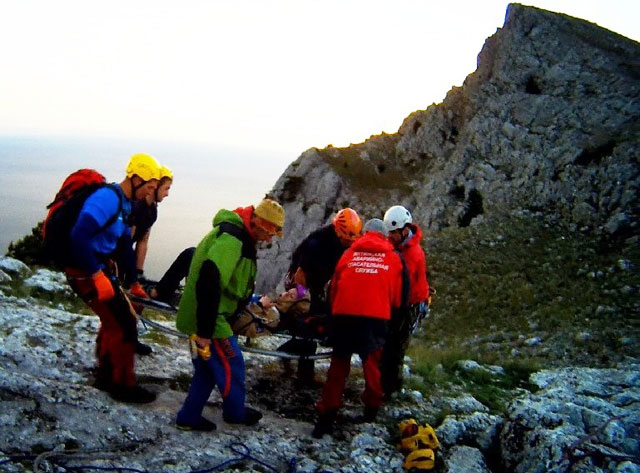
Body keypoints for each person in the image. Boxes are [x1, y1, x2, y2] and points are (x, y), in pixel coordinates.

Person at [175, 198, 285, 432]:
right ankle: (235, 413)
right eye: (270, 233)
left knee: (207, 370)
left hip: (210, 316)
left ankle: (188, 416)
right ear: (259, 225)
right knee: (232, 363)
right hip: (211, 320)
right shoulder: (232, 239)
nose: (269, 239)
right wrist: (204, 332)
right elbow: (210, 278)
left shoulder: (239, 237)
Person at [64, 153, 161, 404]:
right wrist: (96, 275)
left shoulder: (124, 203)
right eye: (149, 186)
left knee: (115, 320)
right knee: (124, 323)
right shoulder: (107, 199)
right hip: (85, 271)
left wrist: (133, 282)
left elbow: (122, 244)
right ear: (136, 178)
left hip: (97, 269)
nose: (150, 192)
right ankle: (122, 385)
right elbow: (79, 235)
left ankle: (107, 376)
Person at [313, 218, 407, 438]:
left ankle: (327, 416)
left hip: (344, 316)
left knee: (338, 367)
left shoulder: (348, 254)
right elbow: (396, 298)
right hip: (374, 318)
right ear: (384, 236)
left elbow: (333, 288)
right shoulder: (393, 258)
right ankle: (371, 408)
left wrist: (333, 316)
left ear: (365, 233)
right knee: (372, 366)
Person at [280, 208, 363, 385]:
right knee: (309, 324)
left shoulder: (342, 243)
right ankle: (304, 376)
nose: (347, 243)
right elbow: (300, 274)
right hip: (301, 282)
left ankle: (291, 352)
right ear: (338, 231)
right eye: (345, 239)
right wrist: (304, 297)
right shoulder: (318, 242)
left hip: (318, 283)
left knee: (319, 322)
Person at [117, 163, 173, 355]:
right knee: (125, 301)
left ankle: (130, 339)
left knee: (137, 300)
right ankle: (123, 341)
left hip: (128, 258)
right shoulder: (136, 207)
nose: (167, 194)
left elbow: (143, 240)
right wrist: (130, 275)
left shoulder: (152, 210)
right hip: (117, 257)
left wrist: (139, 272)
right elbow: (126, 240)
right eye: (165, 189)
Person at [380, 205, 430, 397]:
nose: (390, 236)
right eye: (389, 233)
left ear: (404, 230)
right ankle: (388, 384)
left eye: (393, 233)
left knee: (396, 345)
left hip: (411, 305)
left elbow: (401, 286)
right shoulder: (401, 246)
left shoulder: (412, 254)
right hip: (403, 302)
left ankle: (391, 387)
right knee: (391, 343)